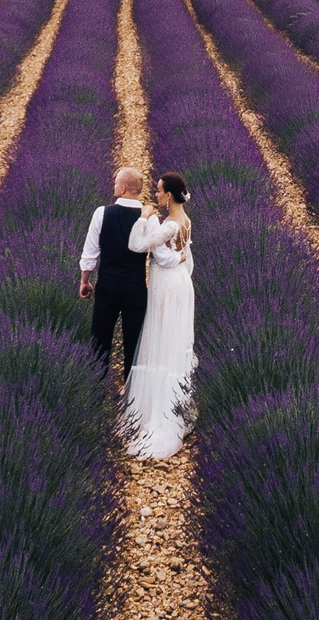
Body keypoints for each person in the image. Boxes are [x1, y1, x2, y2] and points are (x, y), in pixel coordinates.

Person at [123, 171, 196, 459]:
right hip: (181, 284)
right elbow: (185, 258)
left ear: (168, 195)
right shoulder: (185, 220)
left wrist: (144, 217)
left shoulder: (168, 225)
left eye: (158, 191)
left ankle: (160, 417)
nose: (155, 195)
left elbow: (139, 246)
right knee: (173, 340)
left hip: (166, 285)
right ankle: (176, 408)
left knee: (160, 339)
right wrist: (179, 259)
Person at [79, 167, 150, 373]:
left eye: (116, 182)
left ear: (123, 188)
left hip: (108, 285)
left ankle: (97, 392)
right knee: (134, 343)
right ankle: (131, 394)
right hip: (135, 288)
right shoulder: (148, 218)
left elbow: (90, 252)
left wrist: (85, 280)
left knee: (100, 340)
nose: (114, 185)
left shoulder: (102, 213)